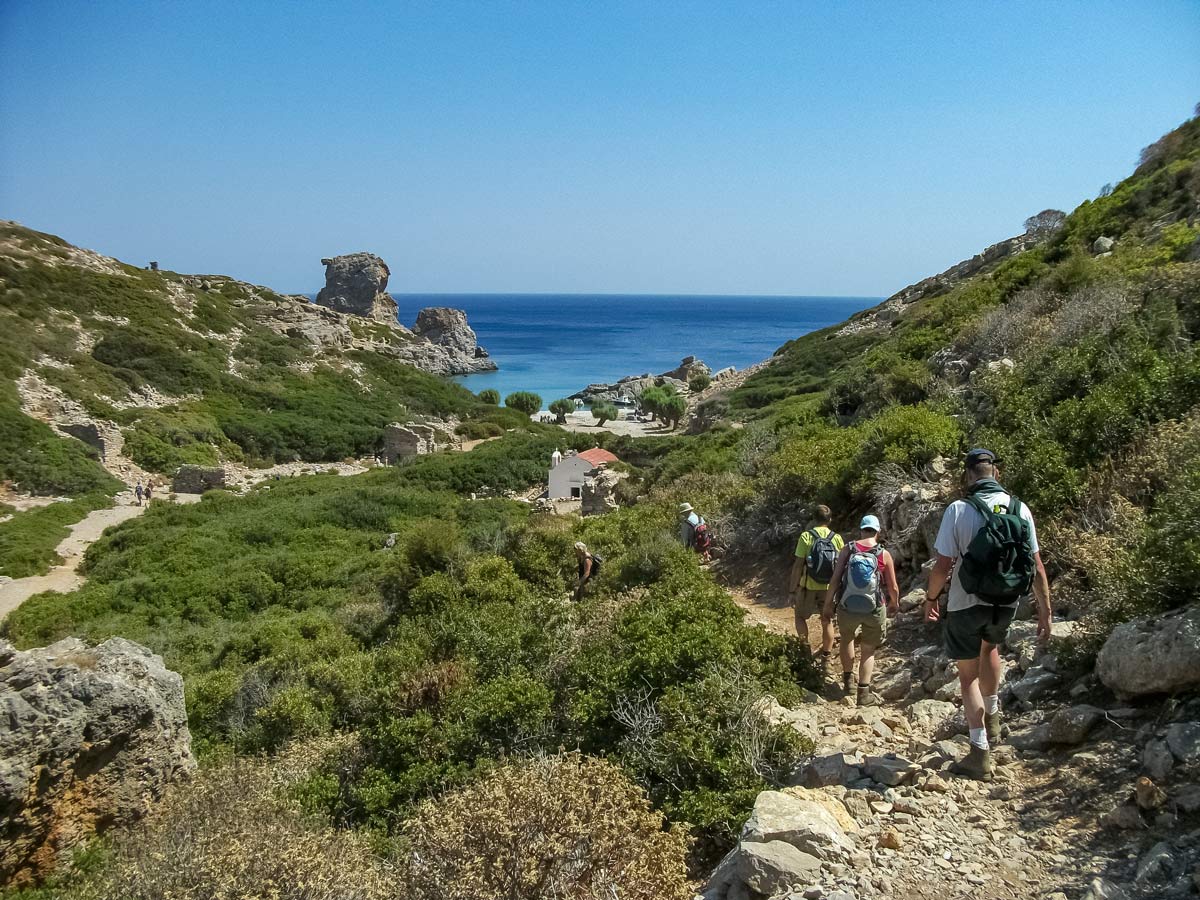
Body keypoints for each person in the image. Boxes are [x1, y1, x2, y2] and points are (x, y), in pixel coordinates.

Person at [925, 448, 1051, 781]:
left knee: (967, 676)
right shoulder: (1020, 508)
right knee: (990, 649)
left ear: (968, 474)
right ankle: (993, 721)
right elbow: (1036, 567)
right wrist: (1045, 612)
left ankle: (979, 752)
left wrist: (931, 597)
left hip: (967, 601)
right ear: (996, 472)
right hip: (1006, 600)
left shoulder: (958, 509)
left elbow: (942, 566)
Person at [824, 515, 899, 706]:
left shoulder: (848, 550)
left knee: (847, 639)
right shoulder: (883, 554)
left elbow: (835, 579)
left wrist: (828, 604)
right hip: (874, 607)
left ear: (861, 529)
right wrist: (894, 604)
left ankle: (848, 683)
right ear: (878, 532)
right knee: (868, 650)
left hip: (847, 606)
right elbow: (893, 587)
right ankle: (863, 694)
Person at [788, 505, 844, 679]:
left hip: (808, 587)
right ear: (830, 520)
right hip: (829, 588)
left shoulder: (806, 536)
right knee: (827, 621)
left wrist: (792, 590)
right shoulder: (837, 539)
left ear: (813, 519)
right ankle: (826, 660)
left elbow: (798, 565)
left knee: (800, 616)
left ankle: (805, 651)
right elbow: (841, 566)